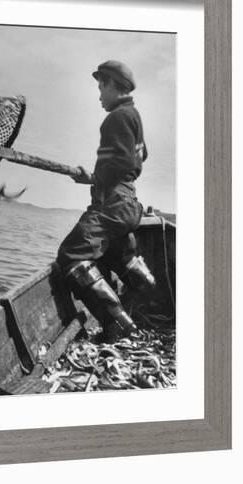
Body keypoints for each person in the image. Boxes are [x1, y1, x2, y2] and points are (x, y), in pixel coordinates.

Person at [56, 60, 155, 341]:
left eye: (102, 87)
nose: (99, 94)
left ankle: (119, 326)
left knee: (71, 255)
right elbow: (139, 156)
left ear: (114, 85)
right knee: (119, 255)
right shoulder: (133, 115)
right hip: (128, 202)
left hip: (111, 203)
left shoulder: (116, 117)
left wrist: (96, 177)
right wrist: (97, 176)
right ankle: (152, 303)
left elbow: (122, 161)